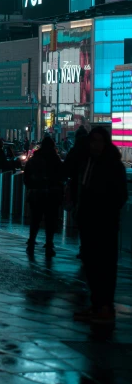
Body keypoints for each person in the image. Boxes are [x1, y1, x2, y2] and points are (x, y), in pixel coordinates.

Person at [73, 127, 128, 325]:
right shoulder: (89, 162)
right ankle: (97, 304)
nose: (94, 145)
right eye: (92, 141)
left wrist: (104, 212)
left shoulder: (112, 165)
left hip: (104, 223)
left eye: (98, 141)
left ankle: (105, 306)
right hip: (88, 221)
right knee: (91, 265)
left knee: (104, 265)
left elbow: (120, 195)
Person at [23, 135, 64, 257]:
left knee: (35, 219)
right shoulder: (56, 160)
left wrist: (32, 186)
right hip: (52, 195)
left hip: (36, 194)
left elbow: (26, 178)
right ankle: (49, 245)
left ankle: (31, 242)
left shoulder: (34, 160)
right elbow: (61, 177)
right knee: (50, 221)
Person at [63, 125, 90, 259]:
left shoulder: (75, 150)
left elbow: (66, 169)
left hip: (78, 190)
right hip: (93, 192)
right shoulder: (93, 151)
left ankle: (84, 248)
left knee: (81, 220)